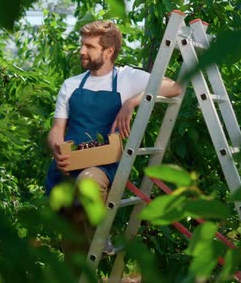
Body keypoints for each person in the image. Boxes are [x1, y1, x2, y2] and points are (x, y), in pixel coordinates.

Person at [45, 20, 181, 255]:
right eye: (82, 45)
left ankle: (101, 236)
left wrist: (133, 101)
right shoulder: (71, 85)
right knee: (72, 248)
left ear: (109, 51)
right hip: (69, 166)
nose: (82, 51)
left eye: (89, 46)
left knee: (88, 183)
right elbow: (57, 129)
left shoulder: (126, 78)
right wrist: (57, 148)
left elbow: (174, 87)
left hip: (102, 165)